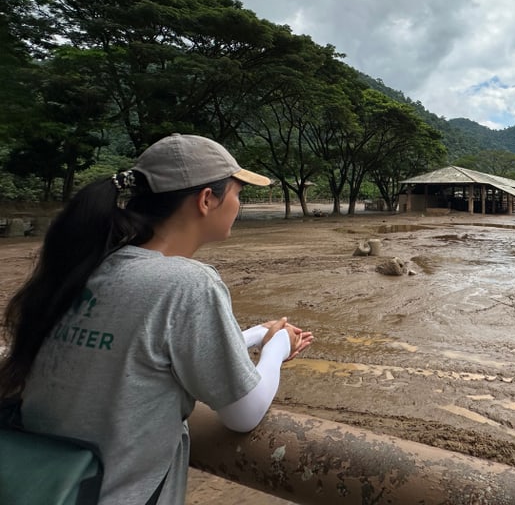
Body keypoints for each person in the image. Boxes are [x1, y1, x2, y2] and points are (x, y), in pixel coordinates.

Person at [0, 133, 313, 505]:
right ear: (207, 200)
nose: (239, 204)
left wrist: (253, 334)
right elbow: (244, 413)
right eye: (237, 193)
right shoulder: (188, 283)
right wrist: (277, 346)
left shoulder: (85, 265)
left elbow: (138, 352)